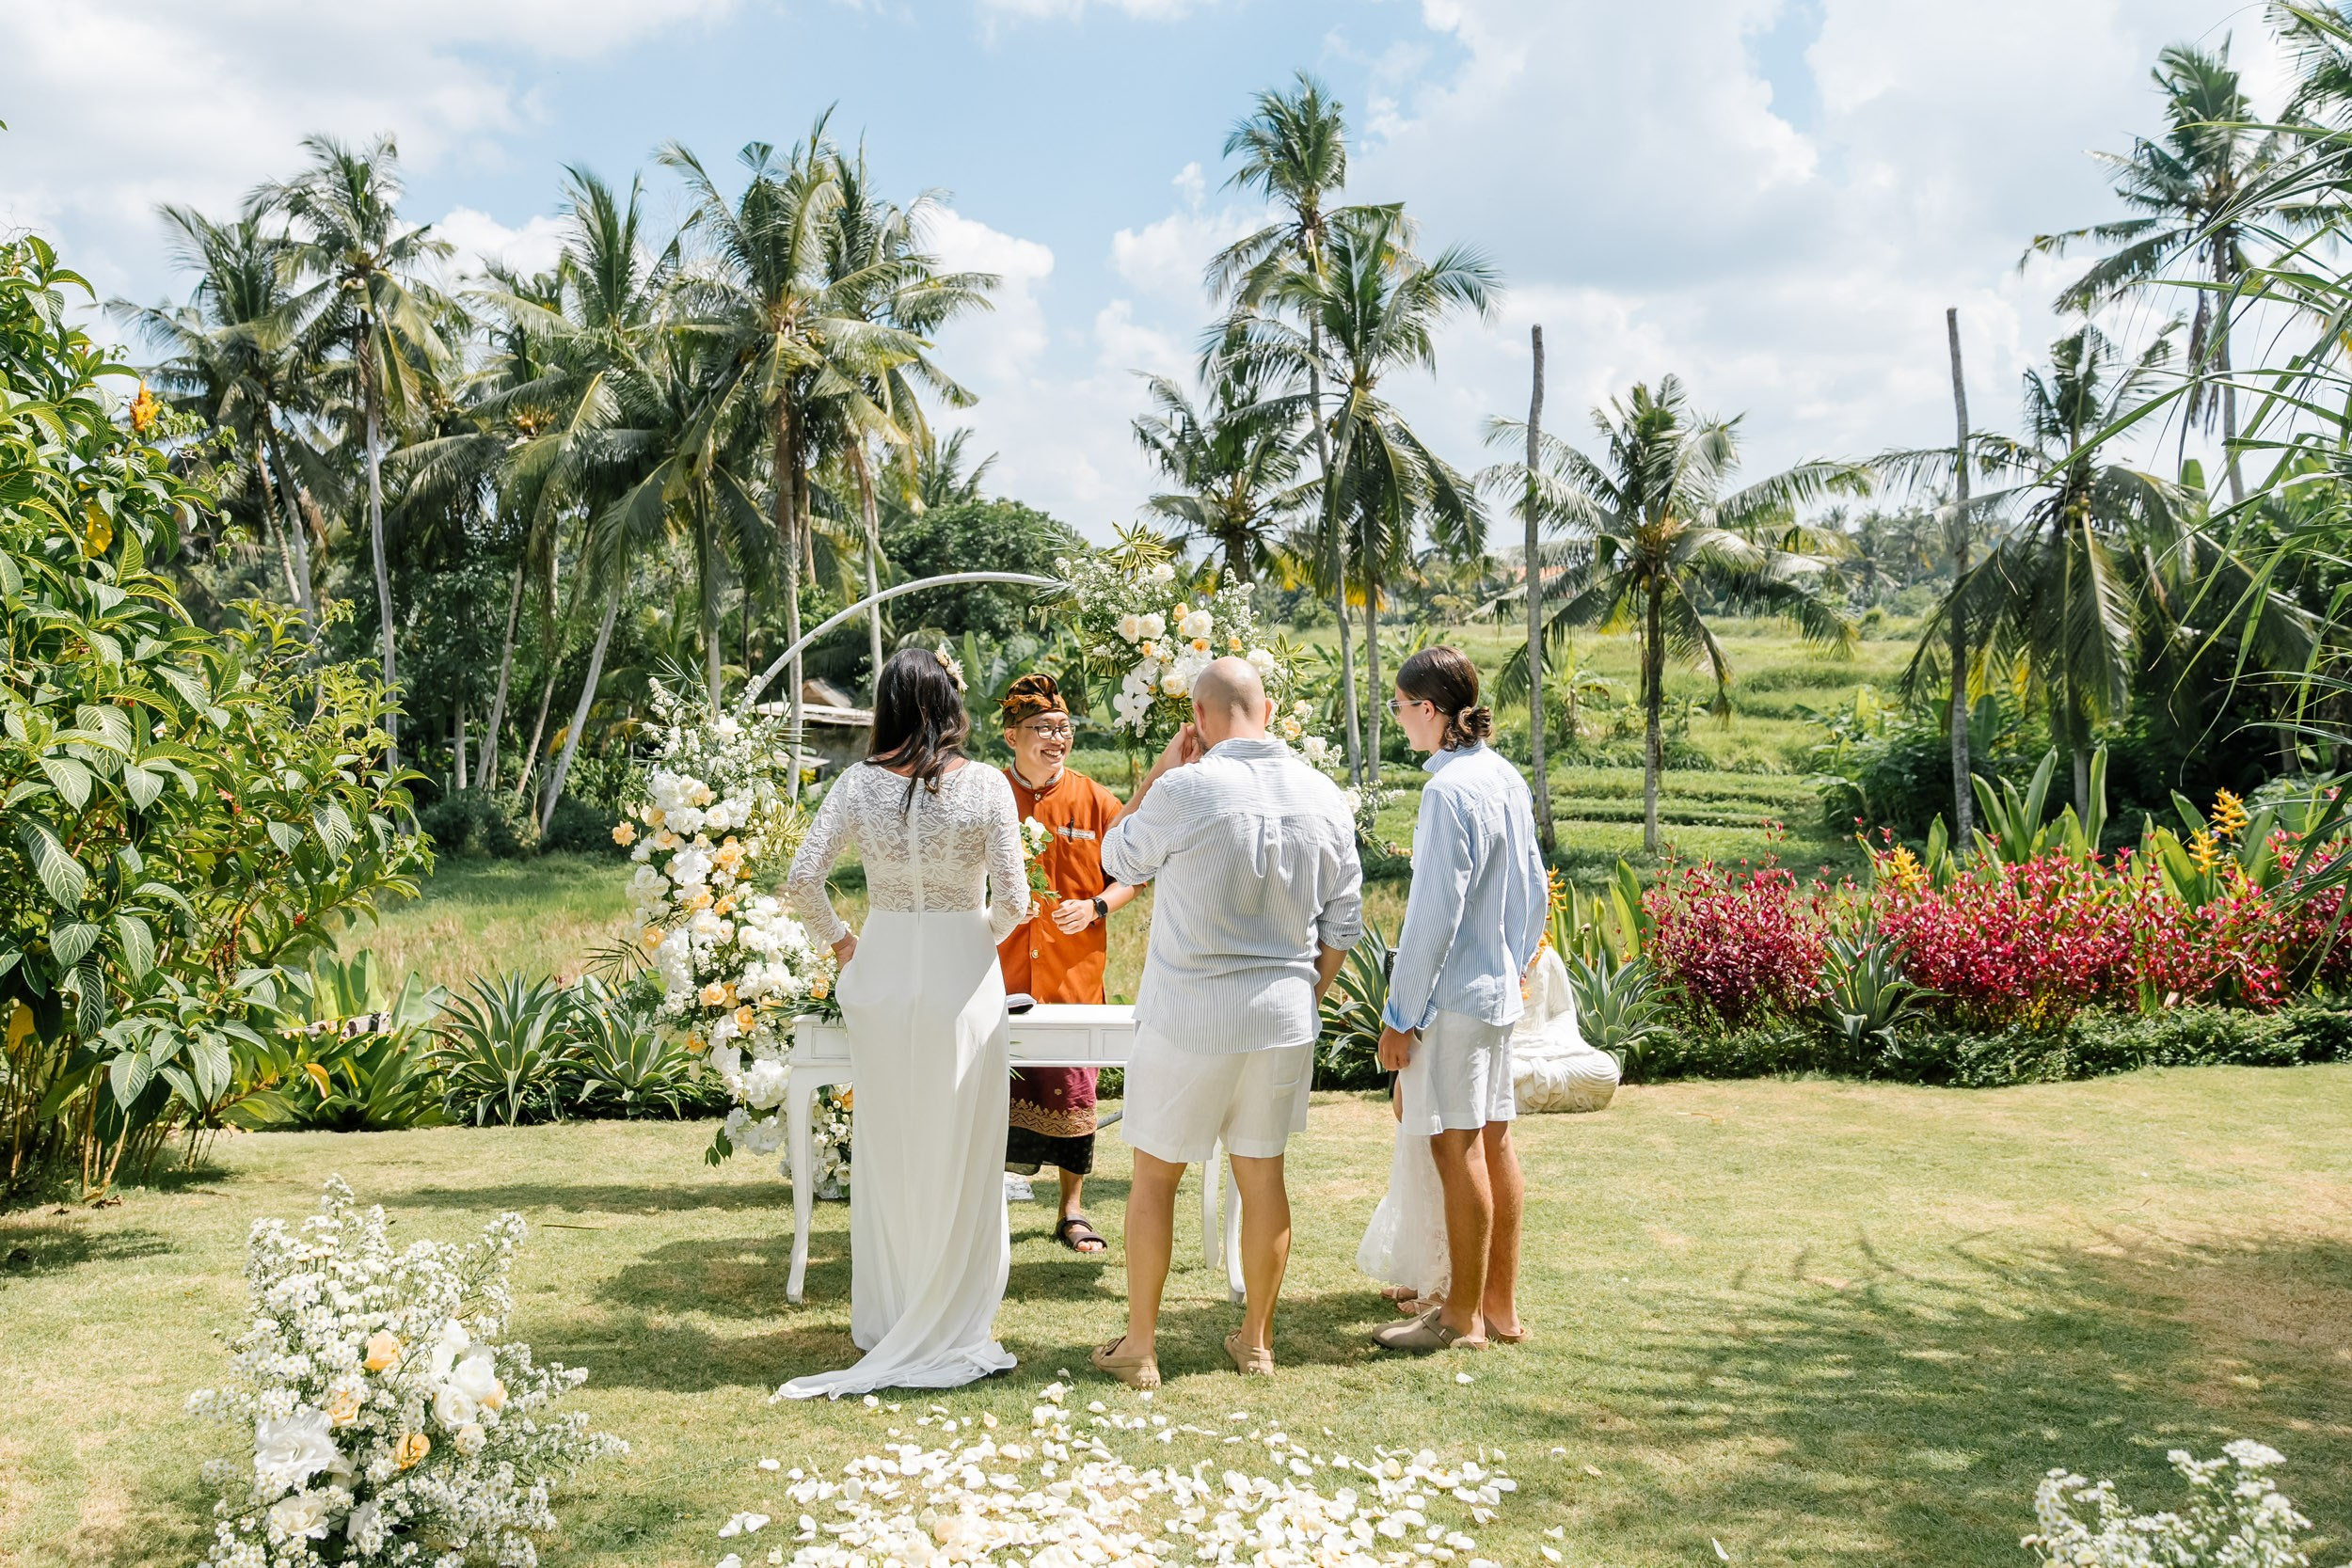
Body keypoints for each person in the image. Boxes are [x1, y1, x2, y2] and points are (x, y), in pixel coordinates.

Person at [1089, 657, 1363, 1386]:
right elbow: (1345, 922)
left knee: (1155, 1177)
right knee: (1263, 1174)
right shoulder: (1325, 794)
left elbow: (1117, 854)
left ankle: (1140, 1345)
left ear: (1199, 719)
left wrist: (1158, 771)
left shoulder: (1185, 787)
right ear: (1267, 711)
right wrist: (1306, 992)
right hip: (1282, 1015)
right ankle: (1257, 1340)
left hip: (1190, 1012)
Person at [777, 646, 1031, 1399]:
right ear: (949, 703)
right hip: (963, 978)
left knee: (890, 1146)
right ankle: (952, 1315)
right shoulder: (986, 784)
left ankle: (890, 1315)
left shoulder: (857, 784)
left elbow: (801, 878)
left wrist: (843, 942)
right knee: (963, 1146)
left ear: (886, 704)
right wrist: (978, 934)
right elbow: (1016, 900)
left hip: (883, 974)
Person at [1369, 645, 1547, 1354]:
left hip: (1452, 999)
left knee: (1457, 1147)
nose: (1397, 718)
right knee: (1495, 1141)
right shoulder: (1504, 777)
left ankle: (1460, 1318)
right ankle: (1498, 1308)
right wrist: (1515, 962)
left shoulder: (1447, 792)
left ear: (1430, 710)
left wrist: (1399, 1016)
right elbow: (1533, 888)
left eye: (1399, 706)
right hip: (1496, 990)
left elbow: (1433, 917)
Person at [995, 673, 1138, 1255]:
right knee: (987, 1096)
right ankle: (979, 1212)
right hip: (999, 977)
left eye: (1064, 727)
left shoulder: (1096, 800)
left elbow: (1133, 874)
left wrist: (1098, 905)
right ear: (1012, 736)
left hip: (1073, 980)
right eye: (1043, 728)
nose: (1057, 738)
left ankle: (1072, 1210)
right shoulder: (988, 797)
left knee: (1075, 1093)